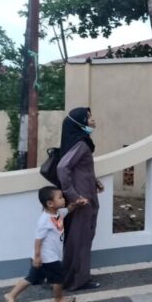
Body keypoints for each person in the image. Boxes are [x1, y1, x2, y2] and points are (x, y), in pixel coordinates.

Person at [1, 186, 87, 302]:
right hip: (47, 257)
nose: (63, 199)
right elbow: (38, 239)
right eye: (60, 197)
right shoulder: (44, 220)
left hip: (48, 256)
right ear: (50, 203)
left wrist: (77, 204)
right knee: (58, 277)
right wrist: (37, 256)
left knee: (32, 278)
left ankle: (10, 296)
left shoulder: (58, 214)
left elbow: (69, 209)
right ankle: (58, 300)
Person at [57, 107, 104, 291]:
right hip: (82, 199)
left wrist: (94, 181)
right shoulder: (81, 144)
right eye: (88, 117)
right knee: (80, 238)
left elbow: (80, 169)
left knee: (79, 238)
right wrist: (74, 196)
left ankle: (74, 277)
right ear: (79, 123)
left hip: (85, 194)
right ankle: (77, 280)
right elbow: (63, 168)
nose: (92, 120)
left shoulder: (78, 142)